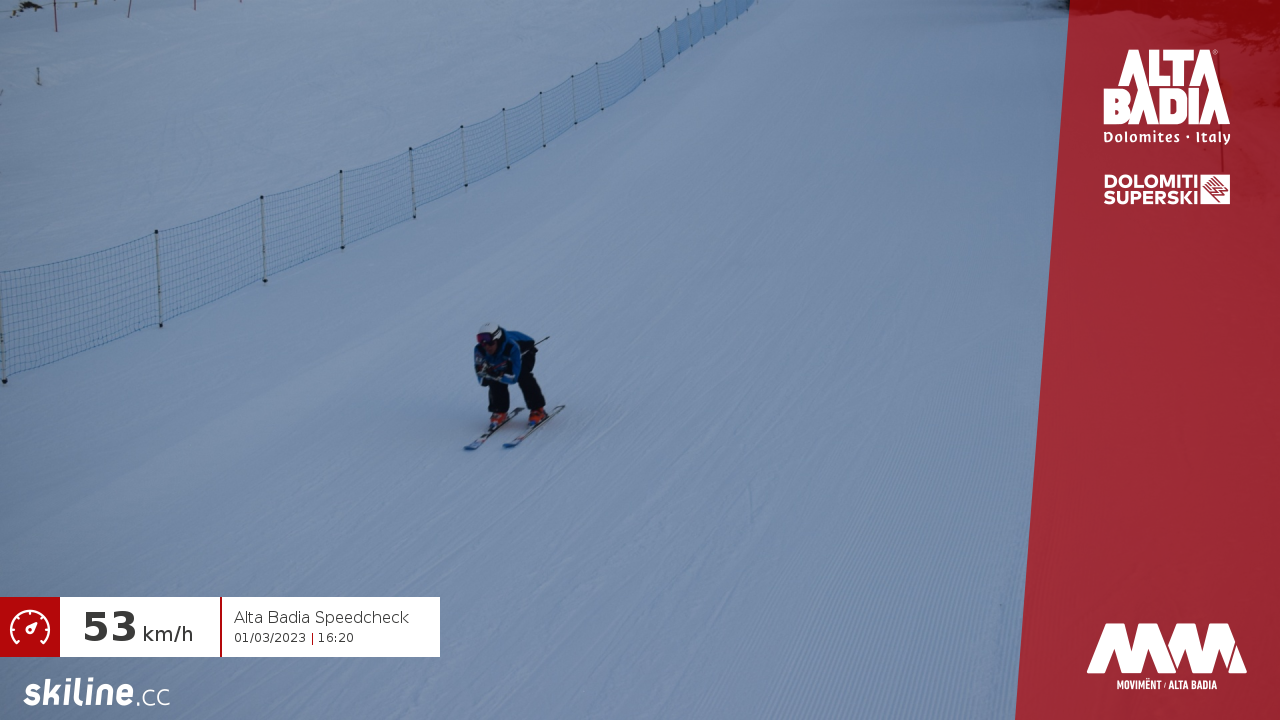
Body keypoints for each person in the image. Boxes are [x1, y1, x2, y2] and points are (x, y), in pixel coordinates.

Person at [474, 323, 547, 429]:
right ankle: (500, 410)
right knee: (494, 378)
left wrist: (497, 374)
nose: (486, 346)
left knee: (523, 376)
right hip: (502, 359)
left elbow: (513, 378)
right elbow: (482, 381)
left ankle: (538, 409)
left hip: (525, 353)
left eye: (490, 342)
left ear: (498, 339)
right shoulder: (479, 350)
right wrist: (489, 374)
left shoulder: (512, 347)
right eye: (481, 342)